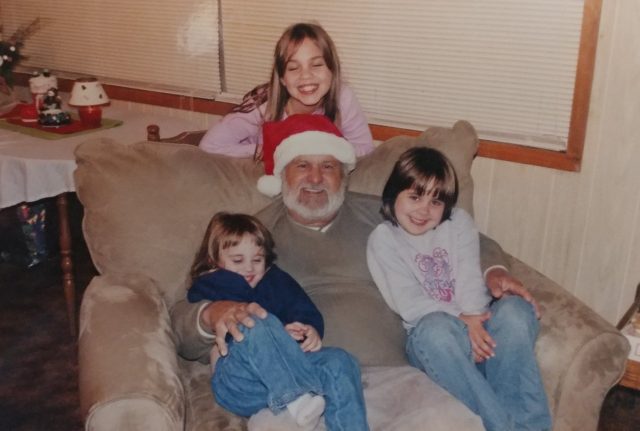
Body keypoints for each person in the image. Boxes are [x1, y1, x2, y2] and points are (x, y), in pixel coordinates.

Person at [171, 114, 539, 427]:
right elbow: (183, 314)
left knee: (455, 424)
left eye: (327, 166)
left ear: (343, 176)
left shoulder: (383, 215)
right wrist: (213, 312)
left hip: (399, 378)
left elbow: (465, 236)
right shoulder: (253, 237)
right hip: (302, 387)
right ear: (282, 174)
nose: (315, 178)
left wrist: (493, 270)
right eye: (302, 165)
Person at [366, 147, 551, 431]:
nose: (424, 210)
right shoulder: (384, 239)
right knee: (435, 330)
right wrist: (462, 324)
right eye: (415, 197)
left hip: (475, 322)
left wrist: (474, 323)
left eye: (436, 202)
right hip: (433, 341)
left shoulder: (459, 223)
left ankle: (532, 425)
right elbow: (409, 302)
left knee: (516, 308)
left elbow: (469, 278)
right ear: (393, 195)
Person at [187, 211, 368, 430]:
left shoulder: (278, 281)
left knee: (340, 360)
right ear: (213, 260)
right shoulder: (209, 284)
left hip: (289, 371)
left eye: (257, 259)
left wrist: (306, 330)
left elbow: (303, 309)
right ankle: (296, 398)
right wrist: (272, 329)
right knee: (253, 318)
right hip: (240, 383)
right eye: (237, 260)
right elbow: (197, 319)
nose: (249, 268)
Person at [198, 22, 374, 159]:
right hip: (258, 169)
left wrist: (325, 147)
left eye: (317, 65)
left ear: (332, 70)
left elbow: (365, 148)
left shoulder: (343, 97)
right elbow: (209, 145)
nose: (306, 76)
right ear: (282, 78)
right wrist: (267, 150)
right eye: (293, 68)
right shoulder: (262, 106)